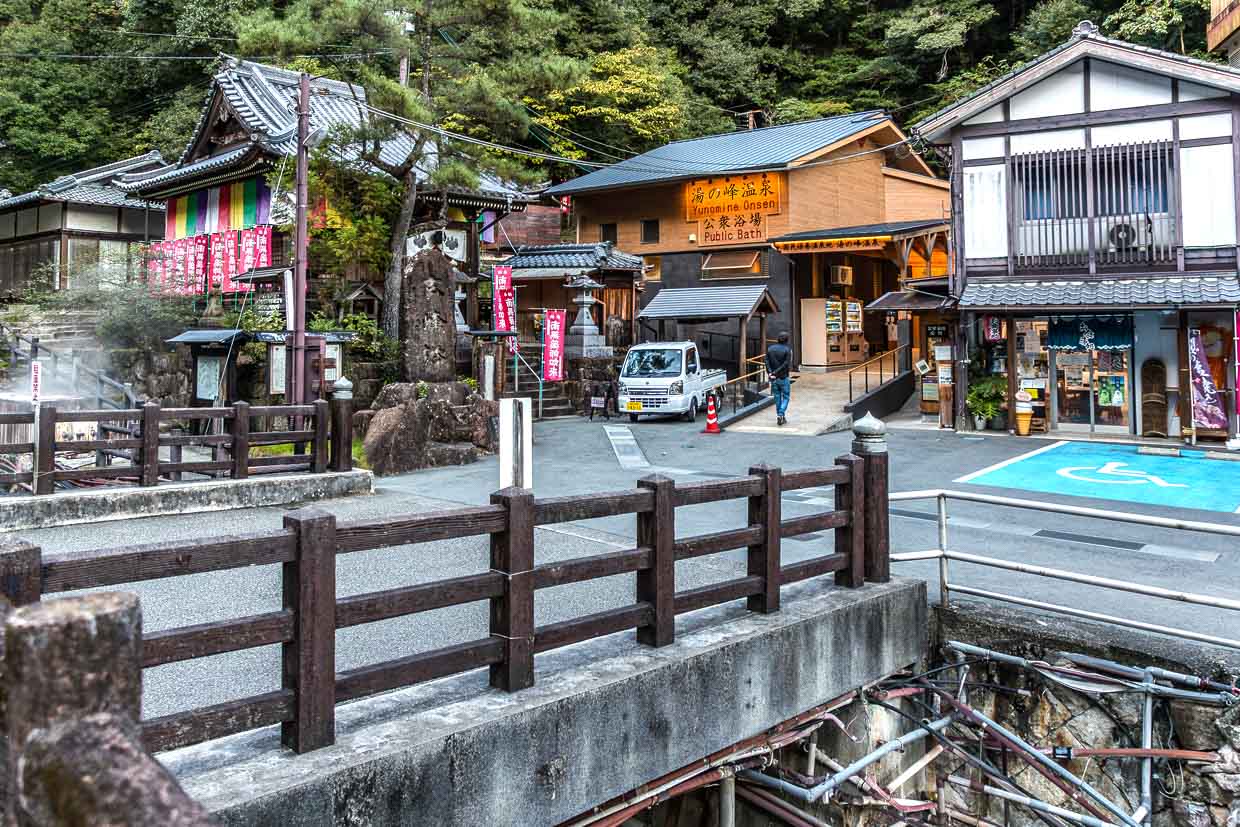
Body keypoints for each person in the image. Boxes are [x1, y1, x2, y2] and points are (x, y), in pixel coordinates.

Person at [766, 331, 793, 426]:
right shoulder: (787, 350)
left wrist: (770, 373)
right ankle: (781, 413)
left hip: (773, 378)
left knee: (777, 398)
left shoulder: (770, 349)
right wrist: (775, 372)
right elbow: (786, 364)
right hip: (783, 377)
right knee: (786, 397)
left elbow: (767, 362)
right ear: (787, 340)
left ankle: (780, 416)